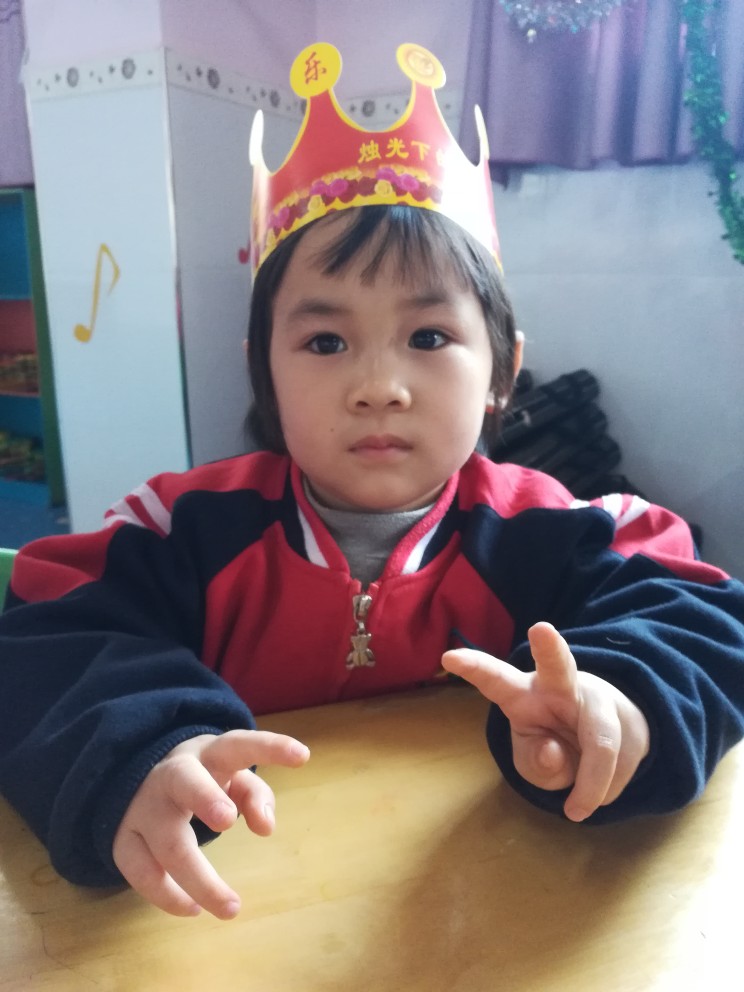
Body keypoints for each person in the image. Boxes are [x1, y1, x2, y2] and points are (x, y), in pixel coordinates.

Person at [1, 43, 744, 925]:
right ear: (264, 371)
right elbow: (43, 639)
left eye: (429, 338)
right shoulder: (177, 527)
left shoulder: (565, 532)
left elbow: (702, 615)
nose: (378, 386)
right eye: (325, 342)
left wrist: (622, 699)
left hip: (480, 914)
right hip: (238, 913)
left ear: (502, 370)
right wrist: (137, 751)